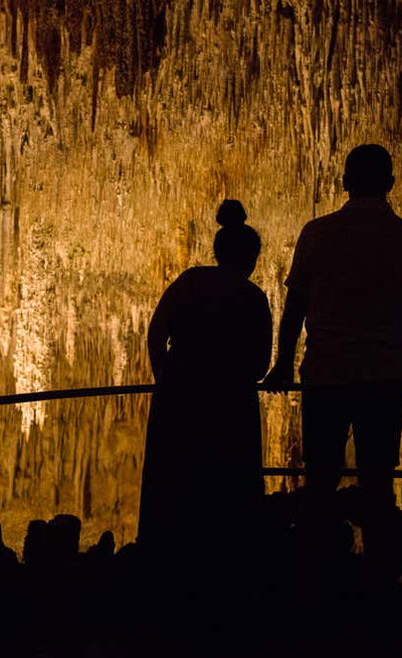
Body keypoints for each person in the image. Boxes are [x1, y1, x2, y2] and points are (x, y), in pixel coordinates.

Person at [263, 144, 402, 590]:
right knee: (378, 481)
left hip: (328, 373)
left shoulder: (318, 233)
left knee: (320, 478)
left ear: (344, 182)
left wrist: (282, 362)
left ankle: (314, 576)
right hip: (384, 376)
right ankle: (378, 579)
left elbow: (295, 305)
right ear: (391, 184)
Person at [137, 199, 273, 556]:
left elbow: (155, 332)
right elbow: (260, 365)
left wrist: (164, 376)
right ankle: (224, 561)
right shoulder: (254, 297)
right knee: (226, 485)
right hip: (231, 402)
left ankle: (166, 558)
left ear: (217, 251)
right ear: (252, 259)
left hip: (180, 394)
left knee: (174, 479)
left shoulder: (191, 282)